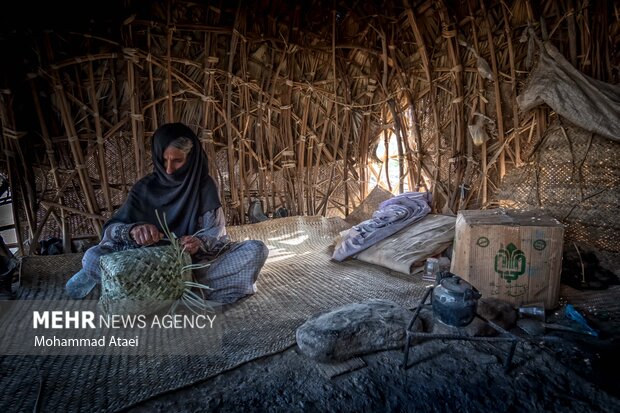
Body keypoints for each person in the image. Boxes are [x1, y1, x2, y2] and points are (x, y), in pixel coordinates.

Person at [65, 122, 269, 304]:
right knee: (93, 258)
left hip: (190, 268)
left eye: (177, 160)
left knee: (256, 250)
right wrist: (133, 231)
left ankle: (146, 295)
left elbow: (215, 234)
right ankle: (174, 293)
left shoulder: (204, 186)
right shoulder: (144, 188)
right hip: (146, 266)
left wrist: (198, 243)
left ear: (191, 158)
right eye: (164, 160)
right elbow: (111, 230)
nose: (169, 169)